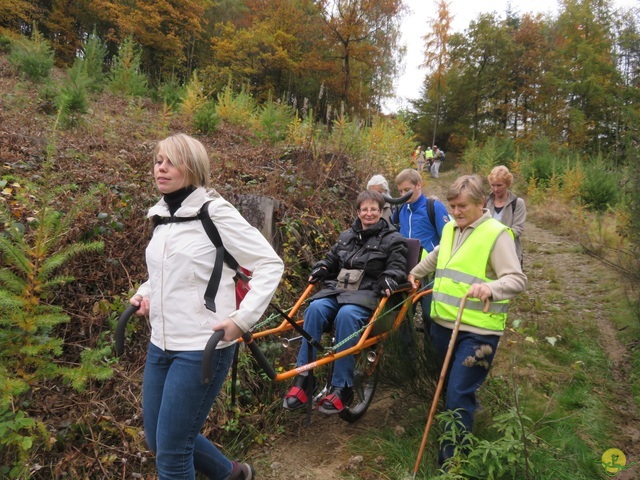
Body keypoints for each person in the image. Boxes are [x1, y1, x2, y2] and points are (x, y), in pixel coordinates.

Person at [129, 133, 284, 480]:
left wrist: (241, 320)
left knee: (171, 455)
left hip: (202, 346)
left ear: (192, 167)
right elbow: (166, 273)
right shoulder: (162, 215)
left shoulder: (214, 212)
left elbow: (269, 264)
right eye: (158, 160)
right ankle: (233, 474)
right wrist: (146, 294)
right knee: (158, 440)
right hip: (161, 345)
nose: (161, 168)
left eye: (171, 161)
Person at [407, 174, 527, 466]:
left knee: (458, 394)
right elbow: (438, 255)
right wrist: (416, 272)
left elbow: (517, 279)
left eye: (462, 206)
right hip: (442, 326)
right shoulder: (450, 229)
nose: (456, 212)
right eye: (452, 206)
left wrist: (491, 288)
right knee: (448, 387)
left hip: (478, 333)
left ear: (480, 203)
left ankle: (452, 463)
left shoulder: (496, 234)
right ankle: (457, 429)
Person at [283, 190, 407, 414]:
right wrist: (321, 267)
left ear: (381, 212)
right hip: (338, 291)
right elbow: (331, 259)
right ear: (358, 212)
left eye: (374, 209)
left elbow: (396, 267)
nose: (369, 213)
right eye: (365, 209)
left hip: (366, 294)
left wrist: (389, 278)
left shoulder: (393, 240)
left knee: (347, 315)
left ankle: (343, 385)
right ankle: (304, 377)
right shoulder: (346, 236)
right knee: (314, 308)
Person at [393, 168, 450, 335]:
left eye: (407, 190)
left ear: (419, 185)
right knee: (404, 314)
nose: (403, 194)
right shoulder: (399, 211)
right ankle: (408, 352)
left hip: (430, 271)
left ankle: (431, 352)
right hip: (407, 270)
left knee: (429, 314)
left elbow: (448, 239)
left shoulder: (434, 207)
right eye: (400, 191)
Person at [485, 165, 526, 266]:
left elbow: (518, 229)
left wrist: (497, 236)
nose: (495, 189)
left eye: (499, 185)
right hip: (487, 252)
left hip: (510, 253)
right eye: (493, 185)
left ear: (507, 184)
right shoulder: (486, 201)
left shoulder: (517, 203)